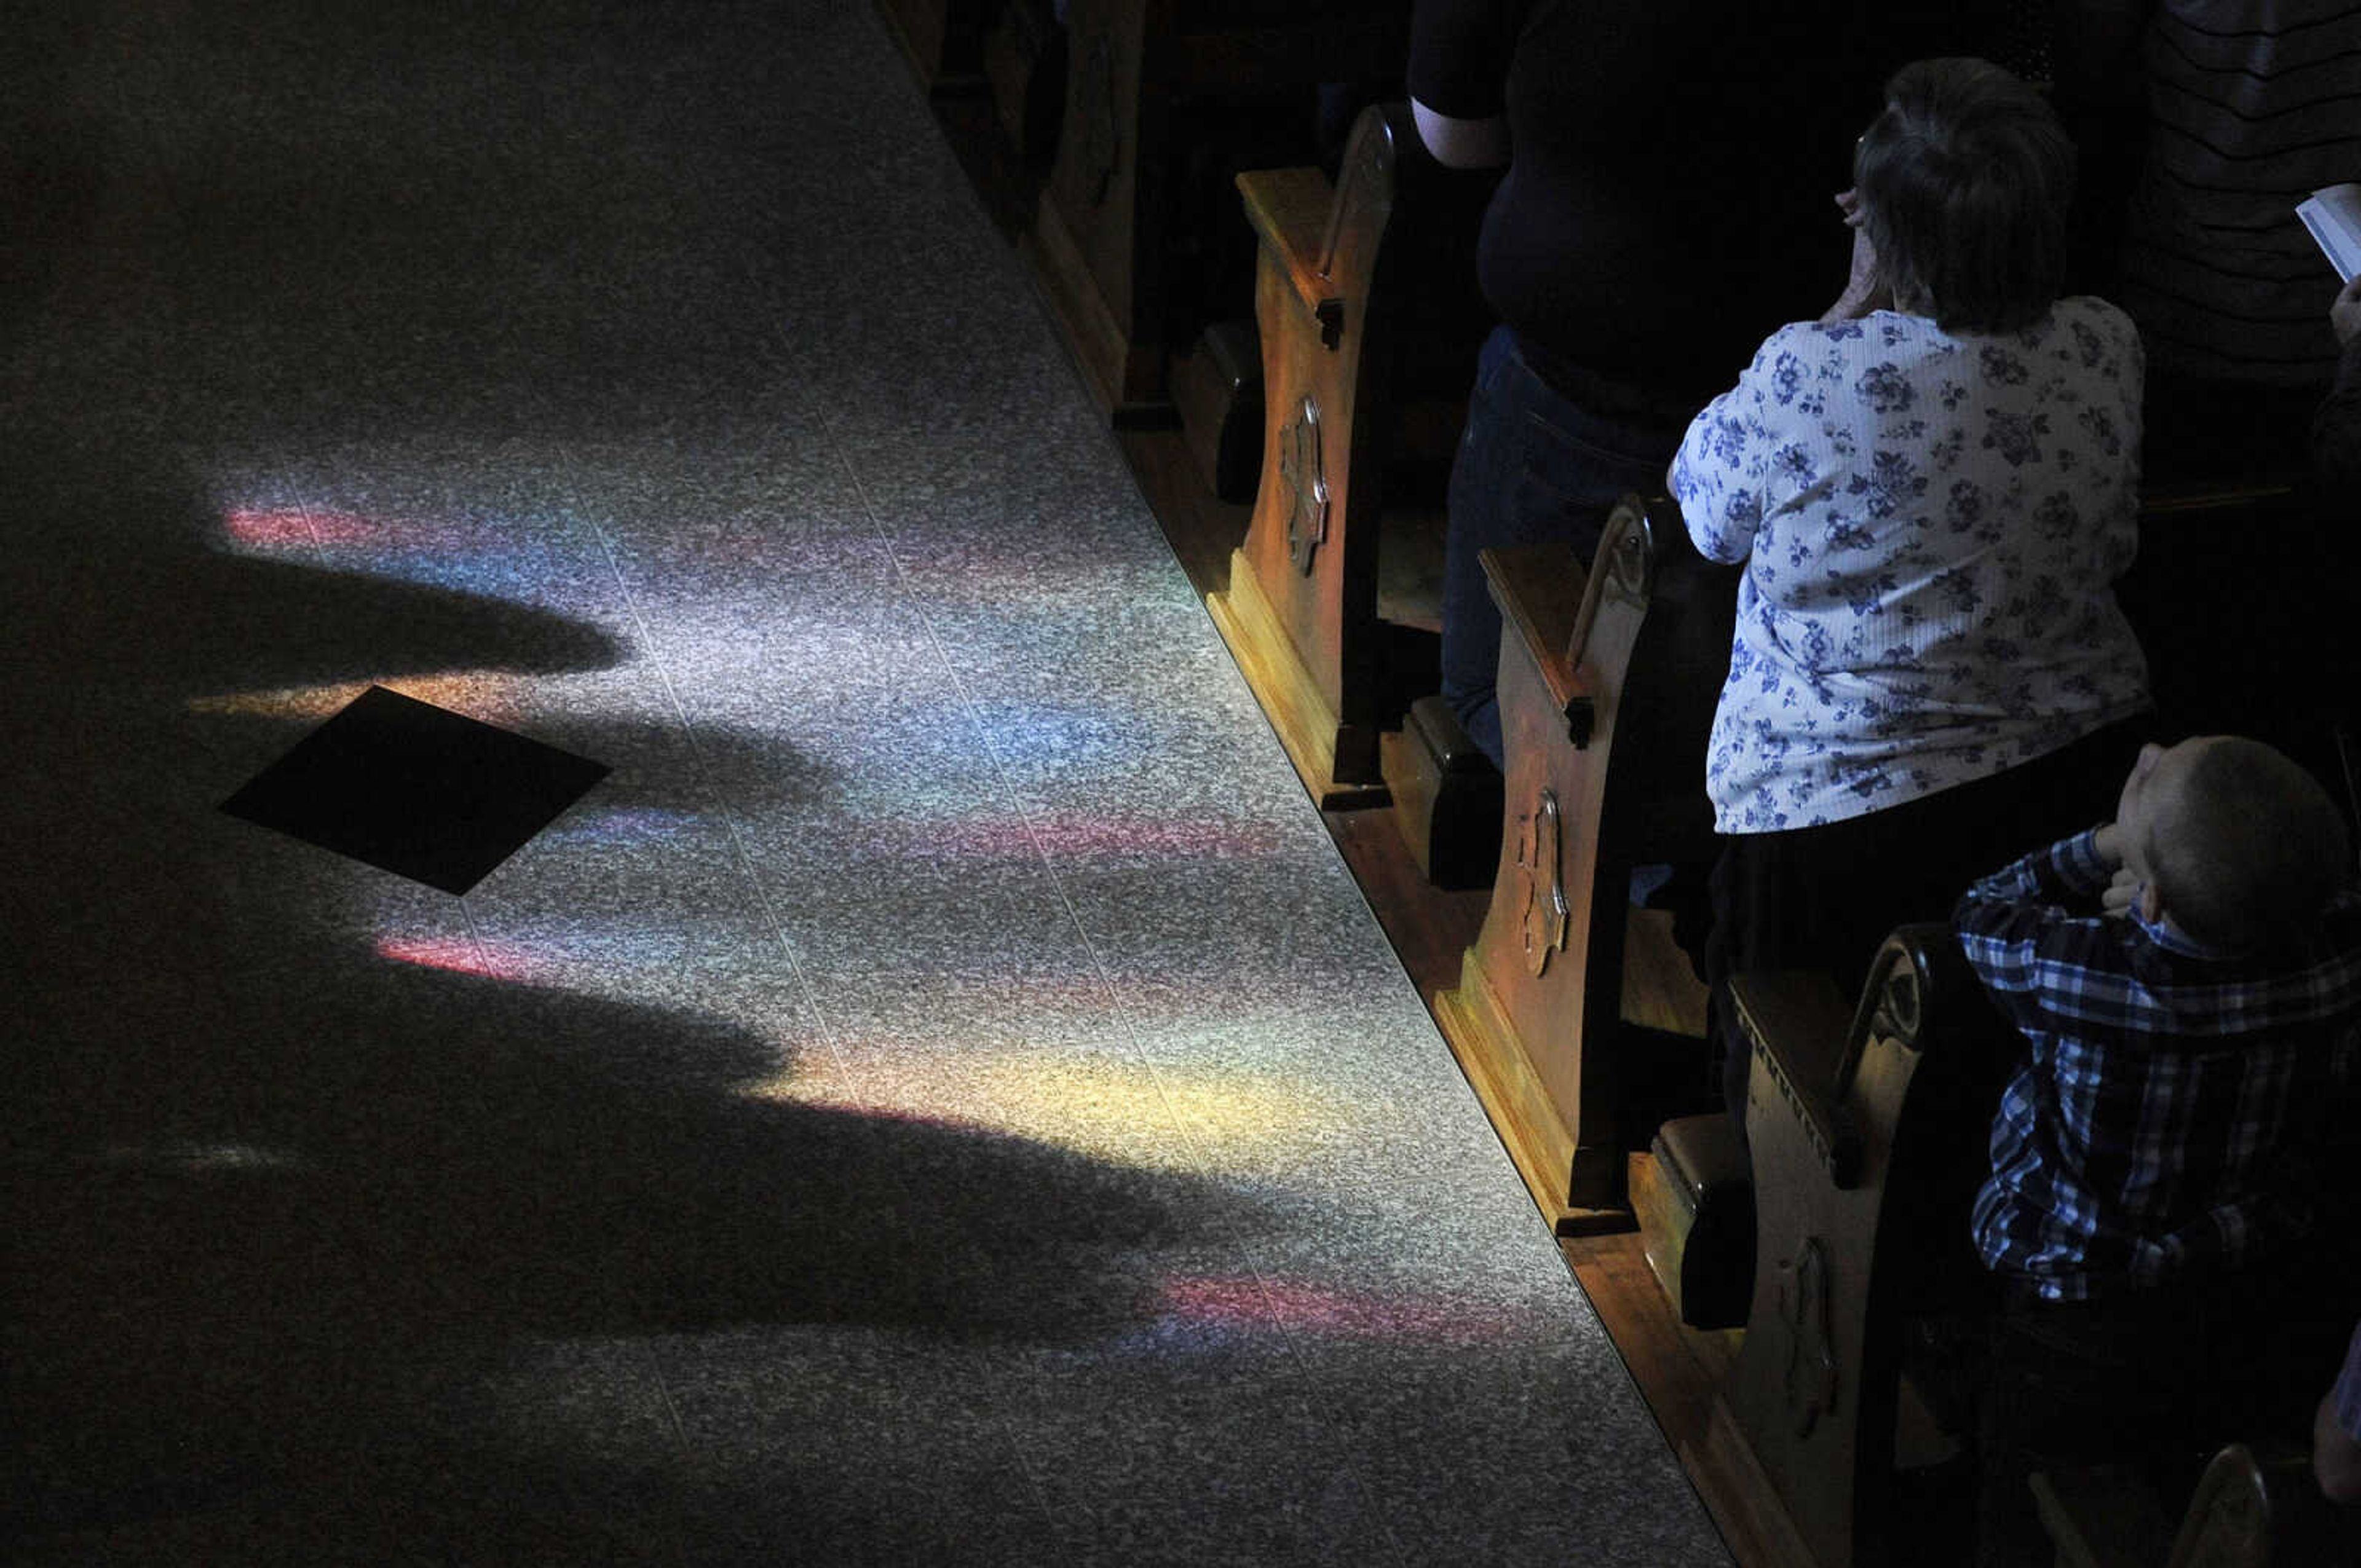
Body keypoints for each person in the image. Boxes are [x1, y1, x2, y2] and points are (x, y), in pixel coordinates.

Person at [1667, 57, 2155, 1114]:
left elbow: (1702, 515)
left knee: (1799, 1094)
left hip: (1834, 815)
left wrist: (1848, 305)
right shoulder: (2106, 344)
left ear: (1884, 238)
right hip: (2063, 787)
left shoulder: (1813, 370)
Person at [1406, 1, 1988, 770]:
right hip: (1832, 380)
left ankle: (1618, 835)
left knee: (1494, 691)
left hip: (1607, 386)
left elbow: (1454, 136)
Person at [1953, 734, 2361, 1562]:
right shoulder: (2340, 968)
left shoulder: (2090, 973)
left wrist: (2104, 842)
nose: (2144, 752)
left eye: (2148, 778)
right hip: (2247, 1283)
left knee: (2027, 1490)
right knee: (2184, 1461)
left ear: (2150, 901)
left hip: (2077, 1307)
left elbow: (1983, 910)